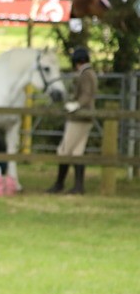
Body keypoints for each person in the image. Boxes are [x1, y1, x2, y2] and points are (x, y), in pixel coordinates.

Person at [47, 47, 97, 195]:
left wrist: (76, 105)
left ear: (77, 61)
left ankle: (59, 184)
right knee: (77, 152)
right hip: (86, 117)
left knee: (64, 150)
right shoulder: (90, 72)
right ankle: (78, 186)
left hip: (79, 117)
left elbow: (86, 94)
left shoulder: (85, 74)